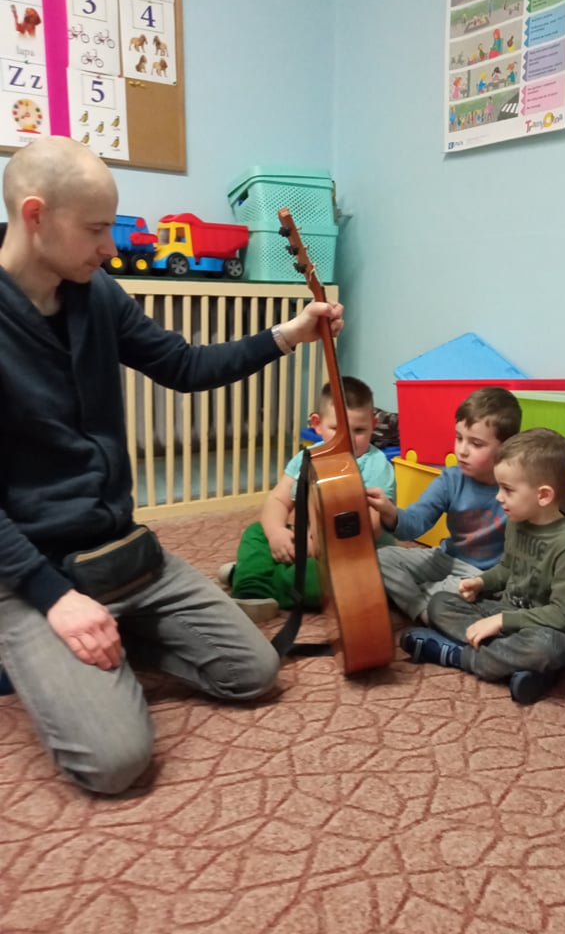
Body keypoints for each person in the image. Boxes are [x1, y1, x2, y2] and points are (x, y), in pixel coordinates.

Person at [0, 135, 343, 795]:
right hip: (33, 574)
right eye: (96, 229)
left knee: (254, 671)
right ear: (36, 215)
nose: (110, 247)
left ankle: (109, 641)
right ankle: (37, 643)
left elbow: (183, 366)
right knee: (115, 762)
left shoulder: (97, 293)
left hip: (120, 553)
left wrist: (287, 335)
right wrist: (55, 601)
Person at [400, 428, 565, 705]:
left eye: (508, 490)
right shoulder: (517, 520)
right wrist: (482, 583)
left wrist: (501, 621)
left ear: (543, 495)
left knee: (546, 647)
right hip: (508, 612)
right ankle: (517, 666)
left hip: (552, 628)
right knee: (440, 603)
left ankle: (460, 655)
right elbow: (506, 569)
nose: (499, 497)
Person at [218, 375, 396, 618]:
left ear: (373, 425)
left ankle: (250, 579)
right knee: (256, 533)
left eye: (359, 430)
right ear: (317, 424)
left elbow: (371, 527)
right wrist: (276, 533)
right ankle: (251, 593)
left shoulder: (376, 465)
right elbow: (278, 500)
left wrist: (319, 545)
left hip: (355, 558)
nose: (347, 439)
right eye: (336, 429)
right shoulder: (306, 457)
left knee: (321, 582)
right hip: (308, 541)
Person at [366, 386, 522, 626]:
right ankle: (424, 609)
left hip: (484, 574)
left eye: (476, 443)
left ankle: (428, 601)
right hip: (446, 558)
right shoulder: (451, 479)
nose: (462, 450)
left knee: (460, 589)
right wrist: (390, 512)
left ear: (505, 447)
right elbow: (416, 523)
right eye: (459, 438)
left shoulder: (516, 488)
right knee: (380, 558)